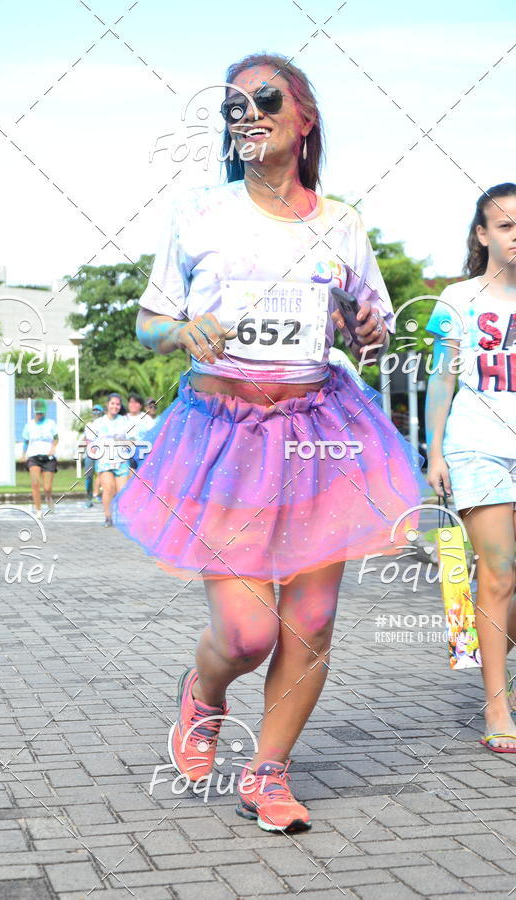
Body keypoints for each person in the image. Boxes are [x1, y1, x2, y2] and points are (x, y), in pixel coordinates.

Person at [113, 53, 424, 832]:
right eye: (232, 107)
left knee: (311, 621)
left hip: (322, 433)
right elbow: (148, 324)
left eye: (264, 98)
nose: (245, 114)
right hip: (226, 435)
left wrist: (373, 329)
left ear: (305, 116)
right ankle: (205, 693)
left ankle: (269, 772)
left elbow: (375, 339)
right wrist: (180, 329)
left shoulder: (342, 223)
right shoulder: (199, 214)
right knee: (248, 632)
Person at [425, 182, 516, 754]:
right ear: (482, 236)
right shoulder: (456, 300)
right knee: (499, 574)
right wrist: (434, 451)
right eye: (505, 225)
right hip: (478, 448)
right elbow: (442, 377)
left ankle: (480, 641)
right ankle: (497, 706)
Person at [95, 393, 131, 526]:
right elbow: (93, 442)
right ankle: (108, 517)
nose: (115, 406)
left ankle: (117, 514)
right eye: (112, 403)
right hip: (105, 461)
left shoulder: (124, 420)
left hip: (121, 460)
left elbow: (130, 439)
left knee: (121, 492)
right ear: (107, 404)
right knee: (108, 488)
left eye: (117, 404)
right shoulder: (99, 422)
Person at [21, 398, 59, 519]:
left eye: (41, 412)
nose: (39, 415)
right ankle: (38, 510)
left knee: (47, 487)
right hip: (33, 458)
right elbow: (26, 441)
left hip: (48, 458)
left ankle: (49, 498)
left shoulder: (51, 423)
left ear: (45, 412)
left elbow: (56, 438)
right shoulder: (29, 425)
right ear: (34, 411)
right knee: (35, 483)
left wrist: (53, 447)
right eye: (37, 412)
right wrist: (23, 453)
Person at [84, 404, 104, 507]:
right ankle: (89, 498)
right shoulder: (89, 425)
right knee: (89, 476)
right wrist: (92, 449)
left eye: (98, 411)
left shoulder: (105, 424)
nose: (96, 413)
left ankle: (97, 494)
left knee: (102, 473)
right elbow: (88, 440)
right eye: (94, 411)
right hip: (90, 453)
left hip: (103, 453)